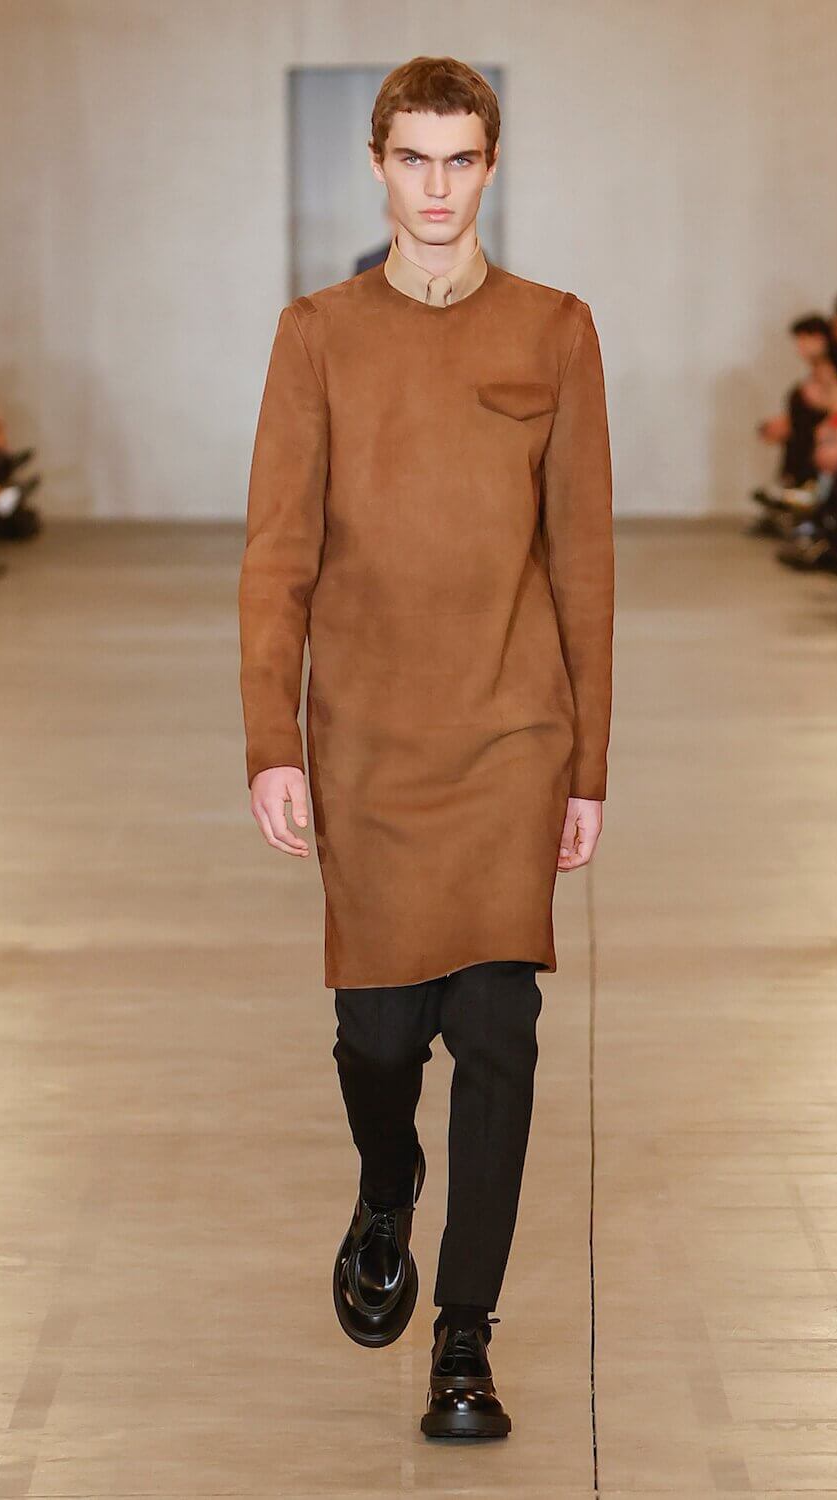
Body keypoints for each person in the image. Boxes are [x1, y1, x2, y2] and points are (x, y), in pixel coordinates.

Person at [237, 55, 615, 1440]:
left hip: (513, 730)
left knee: (499, 1032)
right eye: (415, 159)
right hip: (369, 740)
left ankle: (465, 1342)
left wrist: (586, 764)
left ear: (491, 166)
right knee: (382, 1035)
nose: (438, 187)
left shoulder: (556, 330)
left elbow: (585, 565)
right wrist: (273, 739)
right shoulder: (318, 335)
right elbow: (276, 558)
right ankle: (387, 1175)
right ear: (380, 166)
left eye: (462, 160)